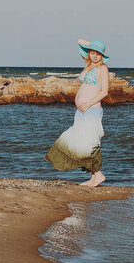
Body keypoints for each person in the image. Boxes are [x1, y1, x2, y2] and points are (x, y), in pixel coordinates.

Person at [45, 39, 109, 187]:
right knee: (82, 141)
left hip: (91, 109)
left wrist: (87, 103)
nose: (95, 56)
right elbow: (79, 42)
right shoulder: (88, 65)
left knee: (89, 142)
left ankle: (98, 175)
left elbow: (104, 92)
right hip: (82, 111)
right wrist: (91, 46)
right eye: (92, 53)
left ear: (102, 56)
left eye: (98, 54)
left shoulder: (102, 68)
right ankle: (94, 177)